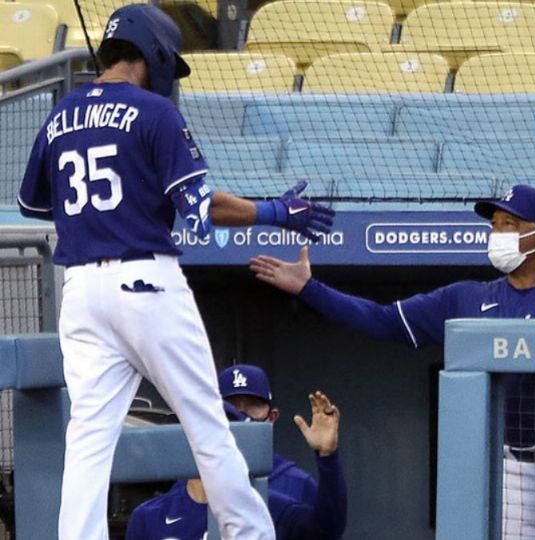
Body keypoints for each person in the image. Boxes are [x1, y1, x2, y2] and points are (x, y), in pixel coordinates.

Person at [16, 5, 335, 538]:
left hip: (81, 291)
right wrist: (275, 213)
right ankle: (251, 534)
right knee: (207, 422)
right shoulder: (154, 113)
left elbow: (33, 204)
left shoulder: (59, 115)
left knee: (88, 439)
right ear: (153, 53)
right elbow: (201, 207)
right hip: (145, 282)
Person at [250, 184, 535, 539]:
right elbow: (381, 320)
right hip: (513, 467)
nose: (497, 234)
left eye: (509, 225)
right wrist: (308, 288)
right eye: (495, 225)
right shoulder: (465, 298)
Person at [125, 390, 347, 540]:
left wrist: (327, 457)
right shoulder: (149, 515)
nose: (206, 438)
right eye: (198, 428)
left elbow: (325, 530)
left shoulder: (266, 505)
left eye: (220, 429)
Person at [217, 365, 323, 506]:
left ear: (272, 417)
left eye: (253, 406)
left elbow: (331, 525)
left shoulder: (299, 483)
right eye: (231, 407)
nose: (240, 416)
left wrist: (328, 457)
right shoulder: (194, 485)